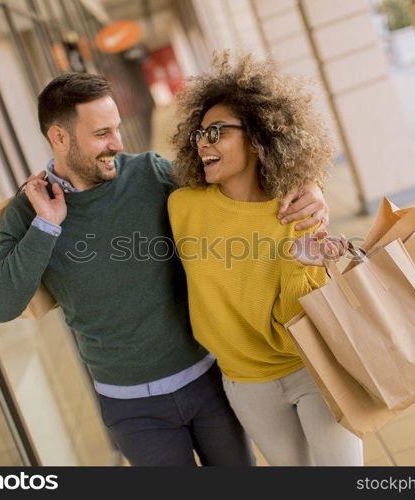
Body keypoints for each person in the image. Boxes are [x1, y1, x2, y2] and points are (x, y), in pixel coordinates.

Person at [0, 71, 330, 466]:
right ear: (59, 138)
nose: (116, 143)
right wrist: (46, 226)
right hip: (131, 409)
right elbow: (0, 305)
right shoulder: (28, 211)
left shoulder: (148, 172)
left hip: (209, 382)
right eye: (101, 134)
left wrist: (308, 185)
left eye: (117, 129)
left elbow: (237, 178)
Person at [167, 53, 364, 466]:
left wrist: (299, 263)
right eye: (200, 134)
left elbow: (295, 323)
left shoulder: (298, 210)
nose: (204, 142)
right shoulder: (182, 206)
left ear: (258, 137)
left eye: (217, 131)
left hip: (312, 366)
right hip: (245, 382)